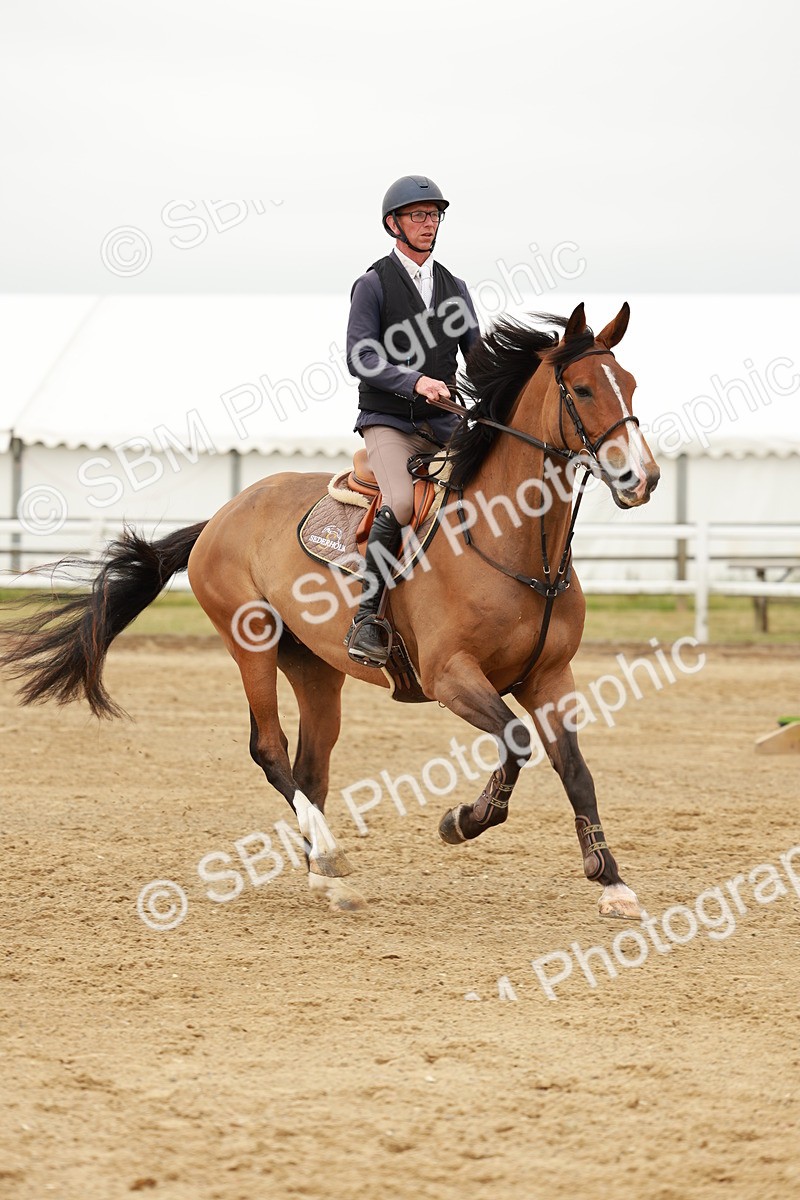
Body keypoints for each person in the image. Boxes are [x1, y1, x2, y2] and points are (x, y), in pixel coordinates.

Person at [344, 174, 480, 667]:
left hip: (445, 426)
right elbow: (360, 356)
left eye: (434, 215)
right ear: (393, 224)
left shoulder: (455, 287)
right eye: (419, 215)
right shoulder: (374, 283)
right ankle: (366, 618)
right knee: (402, 502)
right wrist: (414, 381)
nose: (429, 224)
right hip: (389, 421)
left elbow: (478, 358)